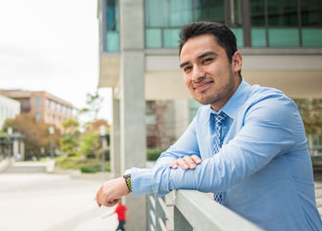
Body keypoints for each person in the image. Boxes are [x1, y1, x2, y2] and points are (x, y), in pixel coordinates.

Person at [96, 21, 322, 231]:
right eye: (187, 68)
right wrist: (177, 165)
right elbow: (167, 158)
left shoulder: (272, 107)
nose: (196, 75)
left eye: (206, 60)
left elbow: (219, 173)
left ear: (236, 62)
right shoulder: (205, 116)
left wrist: (131, 182)